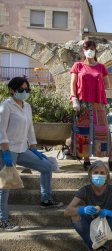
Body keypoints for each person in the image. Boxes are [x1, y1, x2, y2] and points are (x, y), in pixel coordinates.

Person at [0, 77, 63, 231]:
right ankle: (3, 220)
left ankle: (46, 199)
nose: (24, 92)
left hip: (23, 148)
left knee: (46, 167)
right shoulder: (6, 106)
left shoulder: (26, 106)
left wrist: (34, 147)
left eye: (27, 90)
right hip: (8, 150)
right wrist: (5, 151)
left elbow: (29, 128)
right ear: (12, 90)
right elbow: (1, 130)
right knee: (5, 186)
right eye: (21, 90)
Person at [64, 160, 112, 251]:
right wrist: (82, 210)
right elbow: (67, 211)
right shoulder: (85, 190)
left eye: (102, 173)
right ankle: (92, 248)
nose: (99, 175)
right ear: (90, 175)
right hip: (90, 222)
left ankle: (103, 248)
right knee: (74, 215)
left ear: (107, 175)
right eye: (95, 173)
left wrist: (111, 212)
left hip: (106, 222)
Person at [70, 40, 112, 171]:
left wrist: (97, 89)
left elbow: (107, 84)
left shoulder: (101, 67)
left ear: (95, 50)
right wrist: (74, 98)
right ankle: (86, 159)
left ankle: (111, 158)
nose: (89, 50)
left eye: (92, 48)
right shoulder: (77, 66)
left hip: (98, 104)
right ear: (83, 51)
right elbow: (72, 84)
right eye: (87, 48)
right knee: (84, 132)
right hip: (82, 103)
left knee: (103, 131)